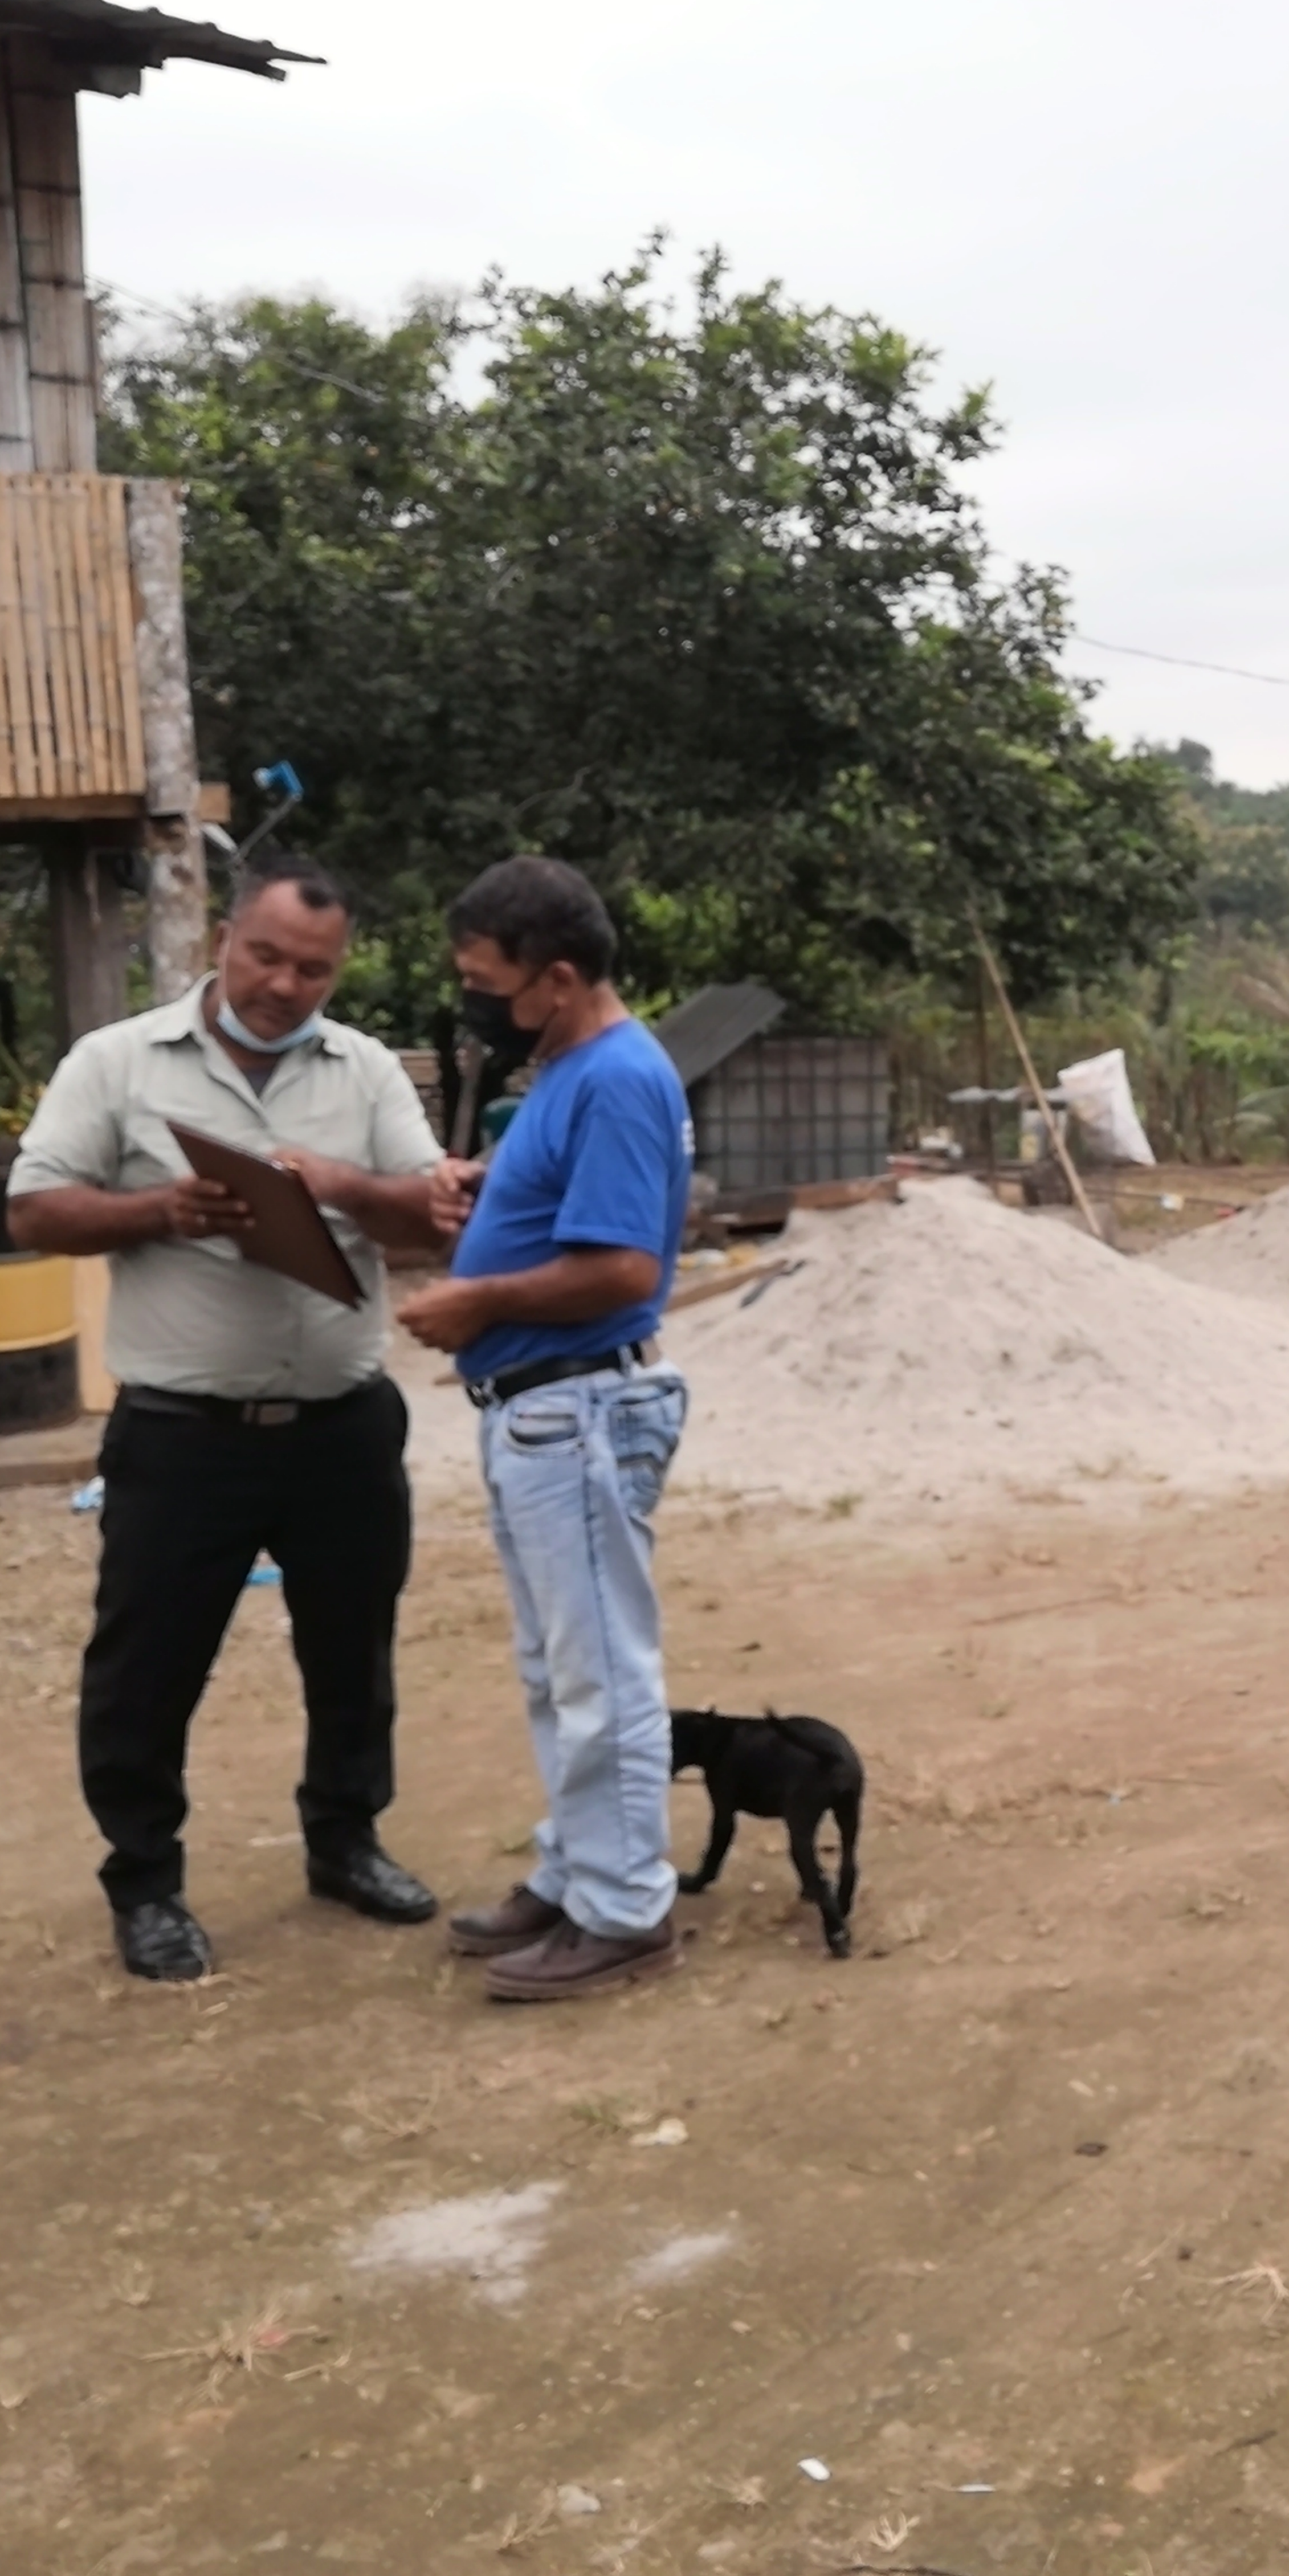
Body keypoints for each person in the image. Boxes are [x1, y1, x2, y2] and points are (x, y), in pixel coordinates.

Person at [6, 856, 458, 1983]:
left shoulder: (364, 1071)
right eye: (265, 956)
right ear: (223, 938)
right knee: (148, 1666)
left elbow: (431, 1213)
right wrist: (160, 1210)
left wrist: (337, 1185)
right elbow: (33, 1211)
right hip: (183, 1435)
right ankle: (145, 1882)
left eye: (313, 970)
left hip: (343, 1426)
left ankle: (345, 1842)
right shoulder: (117, 1062)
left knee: (352, 1652)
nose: (284, 985)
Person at [393, 856, 694, 2005]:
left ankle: (625, 1911)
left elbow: (624, 1269)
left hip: (576, 1408)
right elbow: (579, 1216)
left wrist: (479, 1300)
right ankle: (579, 1872)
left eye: (489, 984)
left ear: (558, 978)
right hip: (540, 1413)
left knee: (599, 1668)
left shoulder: (615, 1077)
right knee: (557, 1667)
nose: (476, 1003)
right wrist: (495, 1194)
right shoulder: (570, 1069)